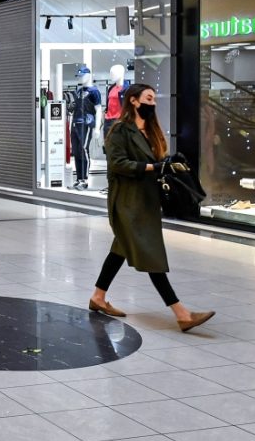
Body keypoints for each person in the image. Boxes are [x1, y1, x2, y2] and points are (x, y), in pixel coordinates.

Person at [89, 84, 215, 333]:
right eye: (148, 98)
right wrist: (152, 168)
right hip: (127, 202)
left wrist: (167, 164)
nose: (152, 103)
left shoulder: (151, 131)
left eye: (154, 99)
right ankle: (182, 314)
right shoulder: (120, 131)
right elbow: (118, 164)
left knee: (120, 250)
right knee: (151, 253)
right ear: (133, 101)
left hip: (147, 201)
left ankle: (98, 297)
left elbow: (156, 161)